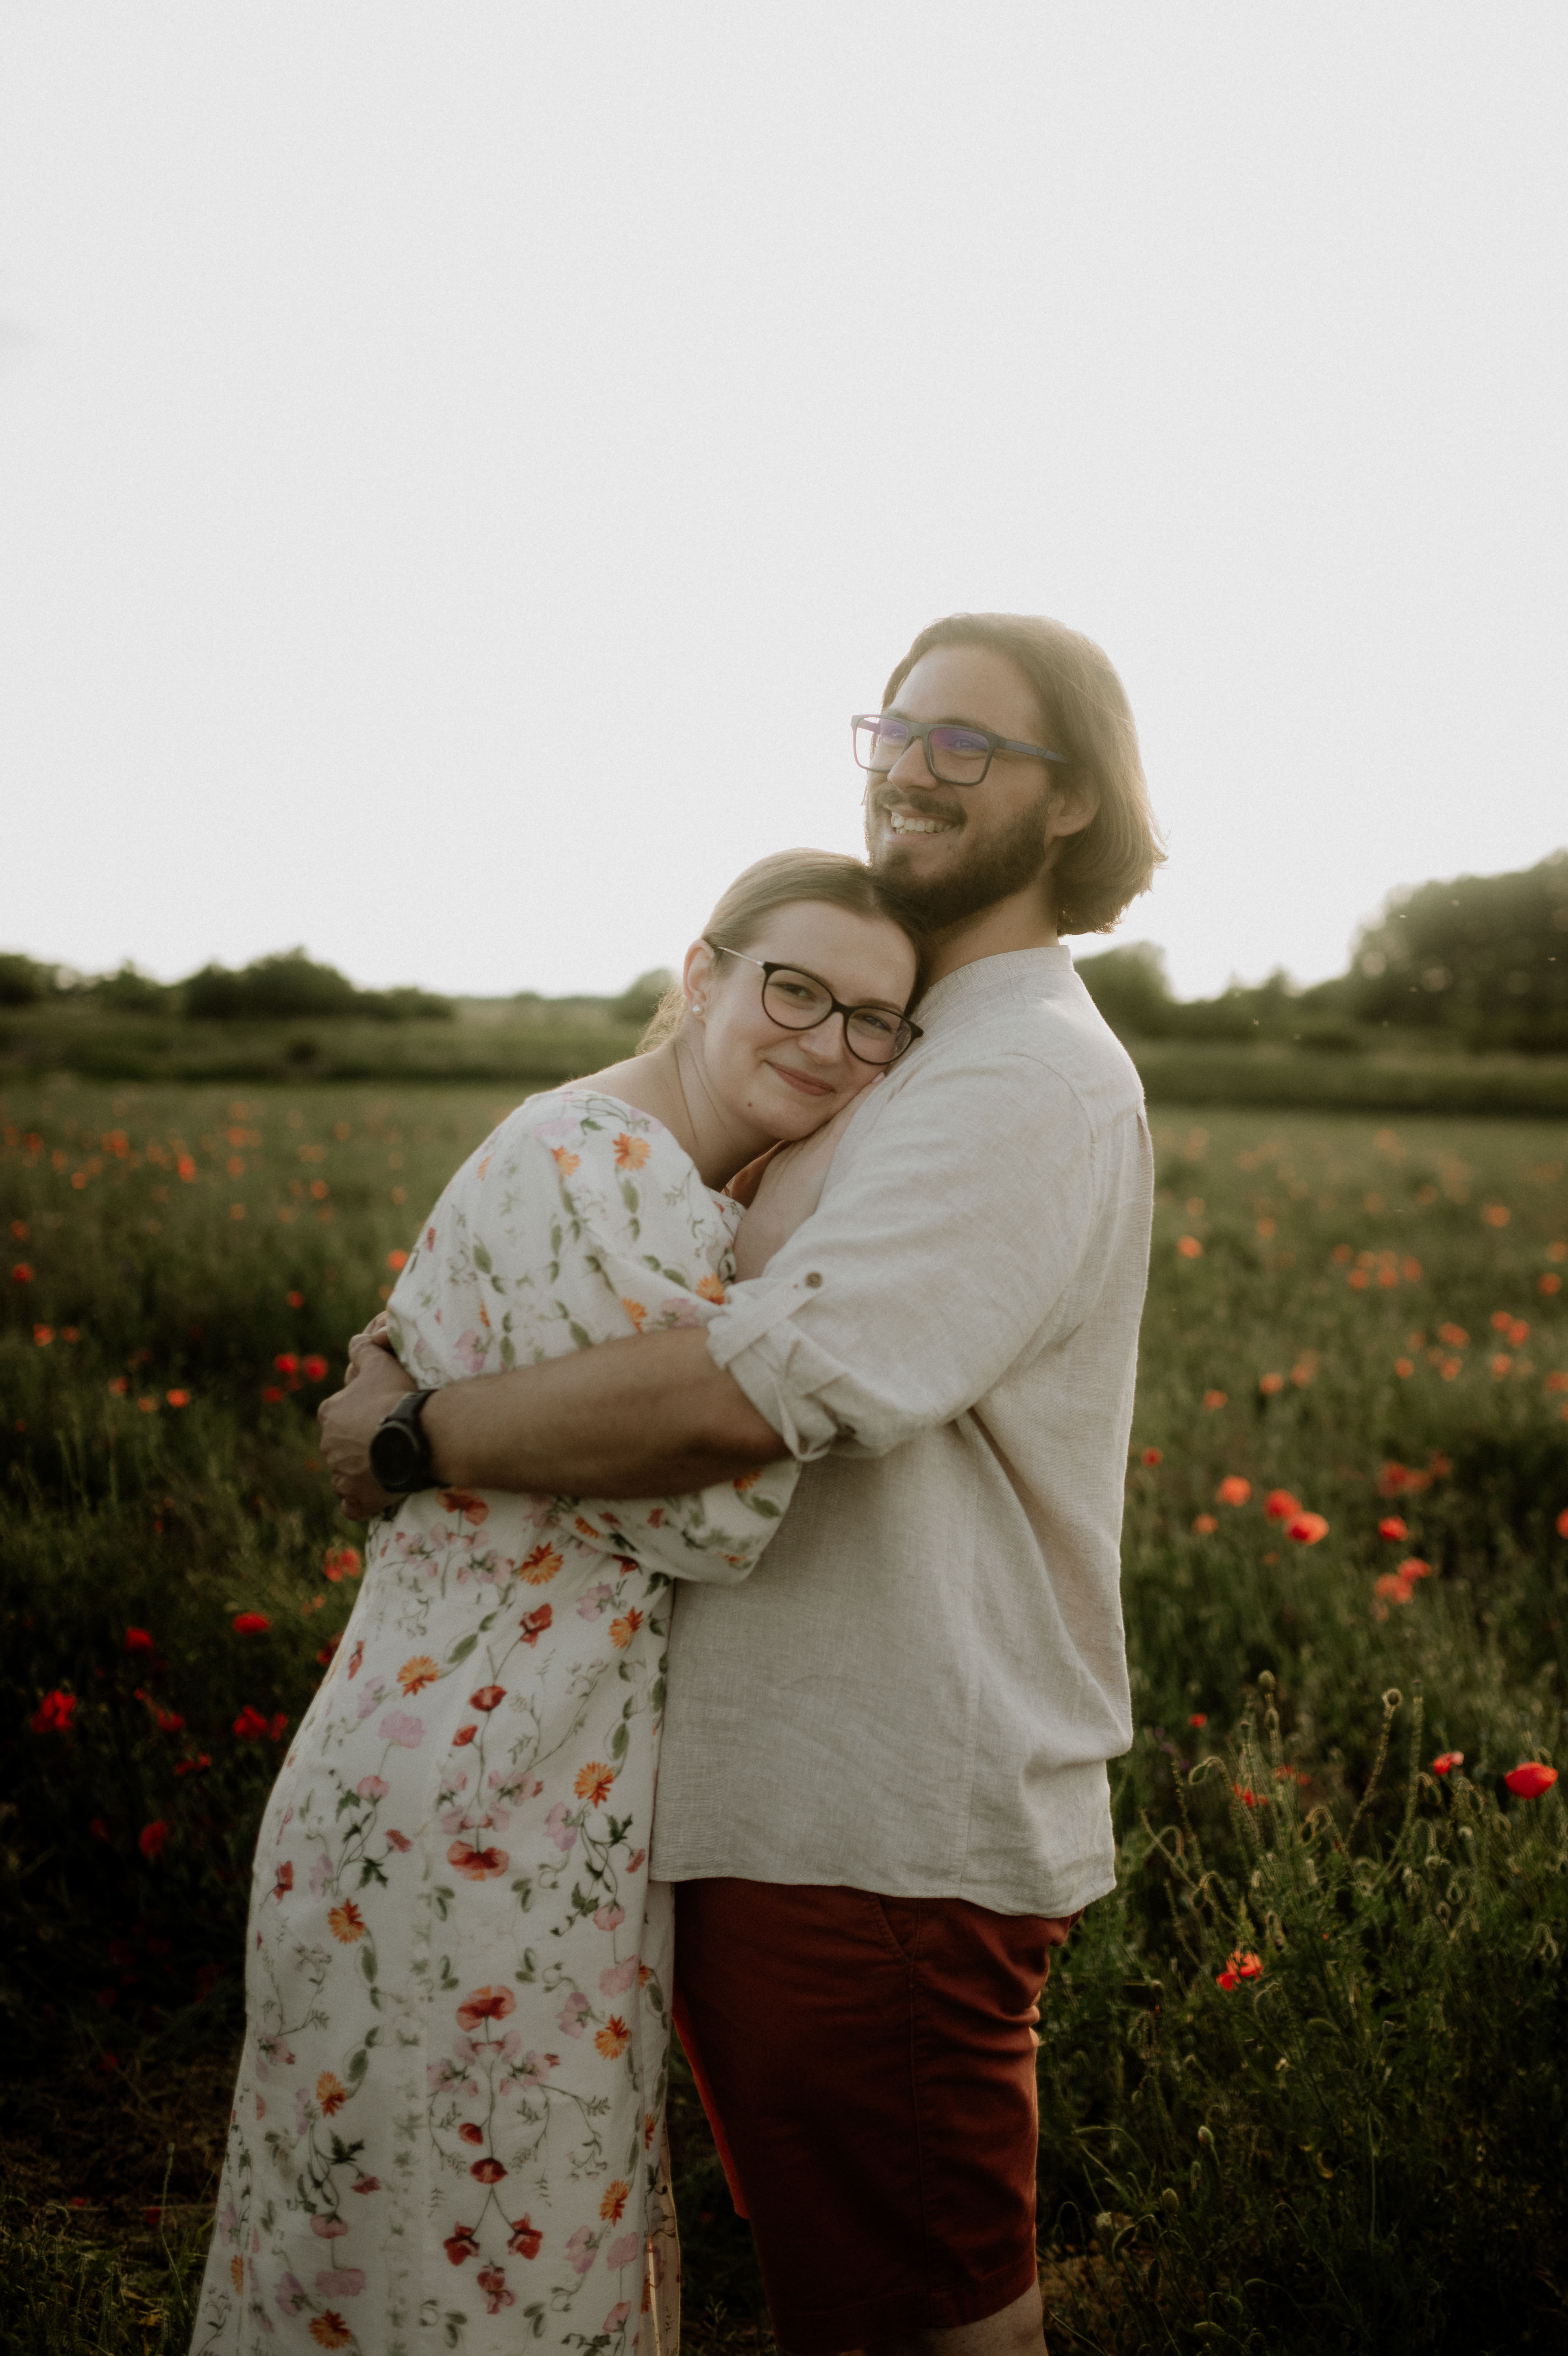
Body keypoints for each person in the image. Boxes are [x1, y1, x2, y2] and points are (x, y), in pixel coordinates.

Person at [322, 610, 1164, 2356]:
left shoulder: (1023, 1072)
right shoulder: (915, 1047)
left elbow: (767, 1384)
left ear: (1075, 798)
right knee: (852, 2298)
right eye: (894, 730)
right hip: (775, 1804)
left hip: (879, 1810)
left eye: (966, 743)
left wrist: (417, 1436)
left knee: (924, 2320)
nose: (909, 768)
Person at [191, 851, 925, 2356]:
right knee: (476, 2277)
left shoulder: (630, 1160)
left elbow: (424, 1342)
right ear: (703, 975)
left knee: (420, 2260)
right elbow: (716, 1504)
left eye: (873, 1022)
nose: (829, 1042)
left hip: (505, 1780)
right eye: (795, 988)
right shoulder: (609, 1160)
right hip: (477, 1801)